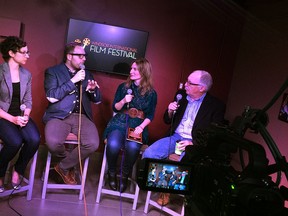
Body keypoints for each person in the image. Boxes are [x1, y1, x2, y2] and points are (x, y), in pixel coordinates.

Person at [142, 70, 226, 205]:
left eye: (189, 83)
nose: (185, 85)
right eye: (186, 81)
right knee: (149, 154)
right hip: (175, 136)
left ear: (202, 88)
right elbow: (167, 120)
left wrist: (193, 143)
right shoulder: (180, 95)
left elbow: (215, 134)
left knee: (182, 166)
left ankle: (166, 191)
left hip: (193, 143)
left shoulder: (216, 106)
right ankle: (162, 186)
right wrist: (169, 111)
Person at [43, 42, 101, 185]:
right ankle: (69, 166)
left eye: (85, 56)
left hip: (82, 116)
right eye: (80, 56)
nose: (84, 59)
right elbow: (51, 96)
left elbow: (98, 101)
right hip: (59, 115)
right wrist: (73, 81)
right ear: (69, 56)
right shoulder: (53, 71)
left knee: (93, 144)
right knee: (53, 143)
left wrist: (93, 91)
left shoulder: (87, 74)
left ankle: (61, 167)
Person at [103, 58, 157, 192]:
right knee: (113, 144)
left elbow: (150, 115)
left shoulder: (151, 93)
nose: (131, 71)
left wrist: (141, 127)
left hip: (138, 125)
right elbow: (115, 108)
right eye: (131, 68)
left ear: (144, 72)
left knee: (132, 148)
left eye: (135, 69)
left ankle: (124, 175)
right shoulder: (123, 87)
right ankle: (111, 173)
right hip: (120, 121)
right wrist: (123, 100)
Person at [0, 36, 40, 193]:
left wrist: (26, 116)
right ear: (11, 53)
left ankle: (18, 170)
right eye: (24, 52)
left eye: (28, 52)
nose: (27, 55)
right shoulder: (0, 72)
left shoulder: (26, 74)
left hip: (20, 114)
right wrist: (12, 119)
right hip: (3, 115)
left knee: (34, 139)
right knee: (14, 142)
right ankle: (1, 172)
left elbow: (28, 100)